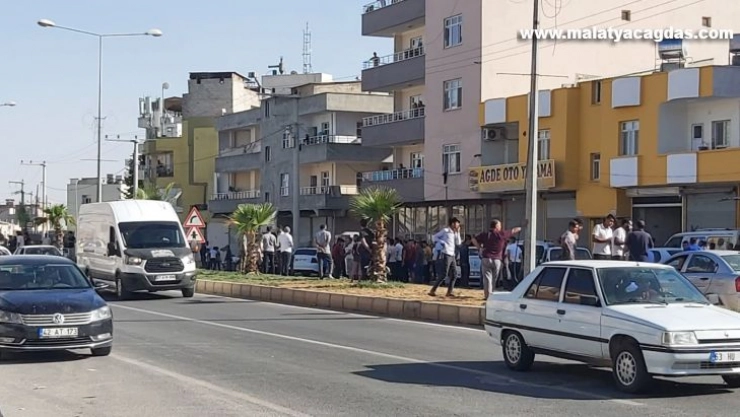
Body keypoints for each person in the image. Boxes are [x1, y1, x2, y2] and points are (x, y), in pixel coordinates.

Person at [472, 219, 524, 299]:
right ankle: (491, 295)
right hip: (497, 260)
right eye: (500, 225)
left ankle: (487, 296)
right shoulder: (502, 234)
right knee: (494, 279)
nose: (501, 227)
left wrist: (479, 248)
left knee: (487, 279)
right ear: (496, 226)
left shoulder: (485, 234)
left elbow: (473, 239)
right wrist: (521, 227)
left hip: (486, 258)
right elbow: (513, 231)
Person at [429, 217, 462, 297]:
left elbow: (458, 243)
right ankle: (433, 290)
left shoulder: (454, 233)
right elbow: (434, 237)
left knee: (454, 274)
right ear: (452, 224)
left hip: (452, 255)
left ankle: (449, 292)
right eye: (457, 223)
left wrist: (458, 233)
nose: (458, 225)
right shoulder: (445, 231)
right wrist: (442, 242)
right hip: (446, 254)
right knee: (444, 274)